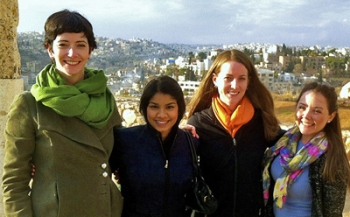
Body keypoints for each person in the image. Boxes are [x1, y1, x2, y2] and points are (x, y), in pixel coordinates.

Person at [2, 9, 123, 217]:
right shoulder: (29, 105)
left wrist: (174, 133)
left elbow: (123, 154)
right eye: (63, 45)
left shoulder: (105, 98)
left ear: (90, 50)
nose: (72, 53)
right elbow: (14, 183)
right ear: (49, 49)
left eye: (81, 45)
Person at [186, 49, 283, 216]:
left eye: (241, 79)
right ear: (215, 80)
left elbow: (291, 145)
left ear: (249, 82)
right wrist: (178, 137)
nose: (235, 85)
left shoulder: (262, 122)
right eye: (228, 78)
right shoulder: (199, 123)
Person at [109, 75, 196, 216]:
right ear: (144, 107)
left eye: (170, 107)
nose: (162, 114)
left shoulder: (190, 143)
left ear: (179, 109)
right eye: (154, 107)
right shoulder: (125, 140)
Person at [262, 82, 350, 217]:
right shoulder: (282, 142)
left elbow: (333, 213)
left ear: (331, 117)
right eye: (302, 107)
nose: (306, 115)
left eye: (317, 111)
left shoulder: (333, 158)